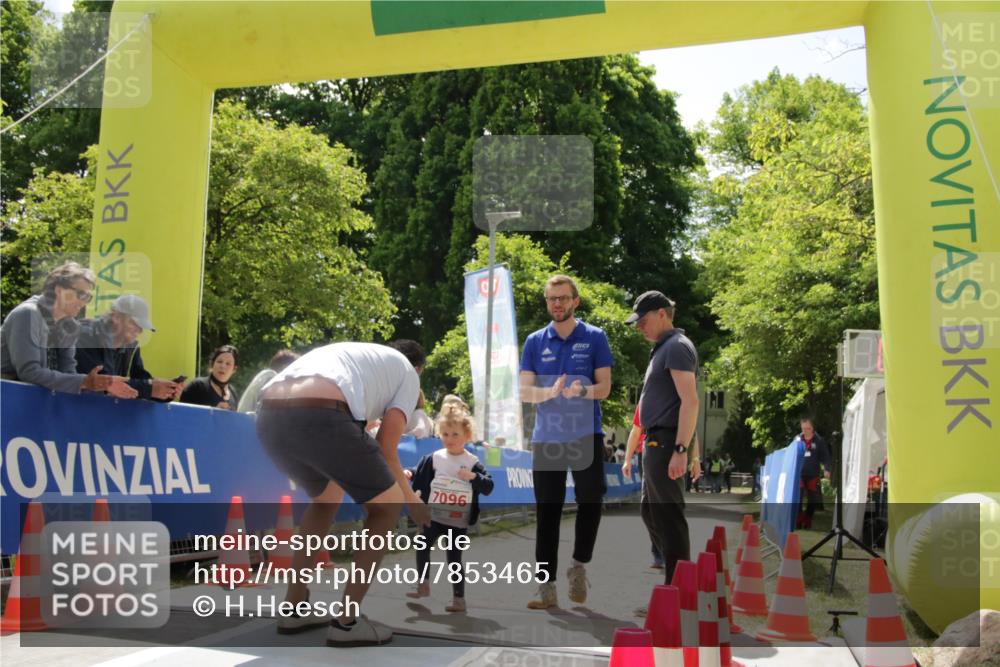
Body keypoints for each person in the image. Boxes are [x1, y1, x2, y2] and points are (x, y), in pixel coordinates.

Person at [255, 340, 432, 646]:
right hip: (321, 413)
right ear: (418, 368)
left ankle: (295, 607)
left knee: (326, 499)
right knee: (386, 508)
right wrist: (412, 500)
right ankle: (347, 622)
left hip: (268, 415)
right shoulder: (408, 374)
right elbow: (387, 448)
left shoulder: (359, 356)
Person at [520, 275, 613, 609]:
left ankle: (578, 565)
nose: (556, 304)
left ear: (575, 300)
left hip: (586, 433)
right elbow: (525, 391)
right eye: (550, 299)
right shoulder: (534, 341)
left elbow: (605, 387)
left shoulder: (595, 337)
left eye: (562, 298)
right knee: (548, 512)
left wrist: (582, 391)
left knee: (591, 500)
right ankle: (546, 588)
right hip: (547, 438)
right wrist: (550, 392)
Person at [627, 290, 698, 587]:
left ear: (661, 314)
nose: (639, 327)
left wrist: (682, 449)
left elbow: (690, 401)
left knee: (669, 518)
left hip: (667, 440)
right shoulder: (663, 348)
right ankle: (675, 583)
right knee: (650, 511)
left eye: (642, 321)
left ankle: (678, 591)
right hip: (655, 440)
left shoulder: (677, 347)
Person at [404, 405, 494, 612]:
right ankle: (423, 584)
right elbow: (419, 471)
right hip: (434, 515)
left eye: (455, 434)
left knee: (454, 558)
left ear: (467, 435)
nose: (449, 438)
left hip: (458, 520)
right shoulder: (435, 457)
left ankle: (459, 599)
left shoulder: (472, 462)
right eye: (445, 433)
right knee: (422, 544)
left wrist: (473, 477)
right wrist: (409, 473)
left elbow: (488, 485)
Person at [1, 262, 135, 398]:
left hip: (34, 403)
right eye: (81, 294)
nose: (84, 303)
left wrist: (101, 386)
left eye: (88, 297)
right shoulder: (27, 314)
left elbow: (68, 374)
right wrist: (85, 382)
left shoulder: (71, 326)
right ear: (59, 290)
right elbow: (29, 373)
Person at [75, 294, 182, 401]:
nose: (140, 330)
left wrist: (166, 391)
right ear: (116, 317)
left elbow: (140, 379)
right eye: (135, 323)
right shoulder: (85, 334)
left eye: (142, 326)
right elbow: (103, 381)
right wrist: (150, 388)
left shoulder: (131, 347)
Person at [796, 416, 832, 530]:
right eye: (804, 428)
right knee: (797, 499)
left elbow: (825, 457)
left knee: (813, 501)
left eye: (808, 428)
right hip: (799, 474)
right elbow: (791, 455)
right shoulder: (797, 439)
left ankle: (807, 520)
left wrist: (827, 469)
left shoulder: (819, 441)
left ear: (812, 428)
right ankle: (798, 520)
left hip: (813, 474)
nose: (806, 431)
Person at [179, 344, 239, 410]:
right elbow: (182, 416)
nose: (223, 366)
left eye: (228, 364)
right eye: (219, 361)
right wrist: (213, 412)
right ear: (212, 364)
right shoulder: (196, 386)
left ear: (234, 369)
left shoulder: (233, 393)